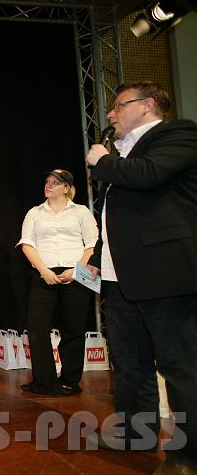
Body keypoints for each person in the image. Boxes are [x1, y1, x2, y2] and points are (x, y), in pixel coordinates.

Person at [85, 81, 197, 472]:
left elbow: (150, 175)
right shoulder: (124, 157)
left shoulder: (178, 134)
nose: (111, 114)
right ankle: (137, 433)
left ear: (147, 105)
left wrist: (103, 162)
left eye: (119, 106)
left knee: (180, 367)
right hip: (119, 279)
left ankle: (188, 455)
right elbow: (114, 217)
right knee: (131, 364)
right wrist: (97, 257)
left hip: (165, 274)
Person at [17, 169, 98, 395]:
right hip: (44, 273)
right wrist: (43, 270)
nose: (49, 185)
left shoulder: (81, 212)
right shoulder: (34, 212)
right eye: (47, 181)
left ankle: (70, 380)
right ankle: (44, 381)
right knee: (36, 328)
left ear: (66, 188)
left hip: (77, 272)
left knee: (74, 327)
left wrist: (77, 270)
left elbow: (92, 244)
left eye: (55, 182)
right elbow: (27, 244)